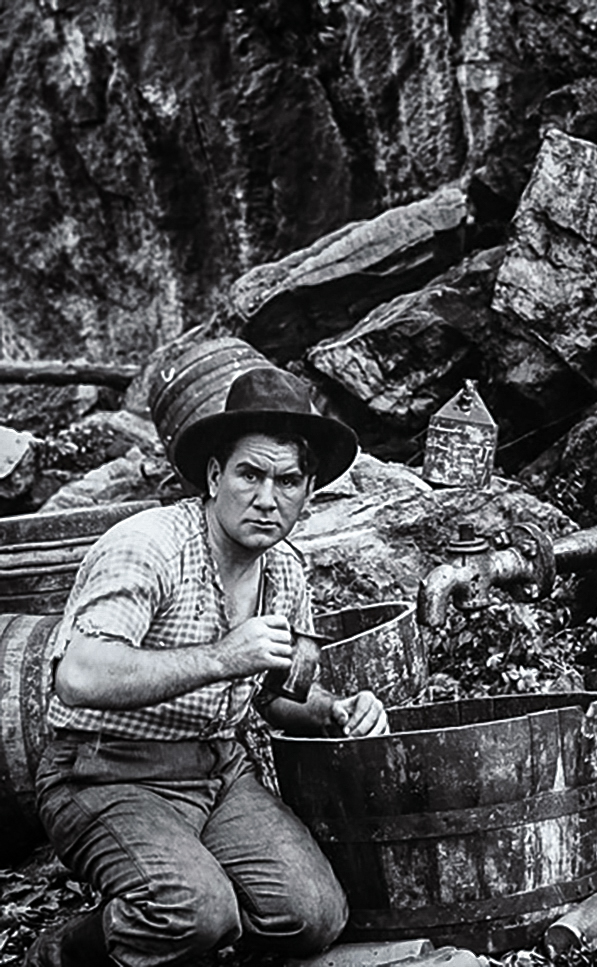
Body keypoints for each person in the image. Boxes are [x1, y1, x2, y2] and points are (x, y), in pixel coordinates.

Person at [25, 367, 388, 967]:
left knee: (311, 917)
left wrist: (333, 711)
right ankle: (70, 951)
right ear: (215, 476)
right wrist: (222, 658)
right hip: (104, 771)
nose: (267, 499)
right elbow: (79, 675)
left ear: (309, 488)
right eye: (250, 474)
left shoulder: (286, 571)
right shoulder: (147, 546)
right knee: (195, 911)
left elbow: (277, 694)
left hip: (217, 771)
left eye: (288, 481)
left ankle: (167, 924)